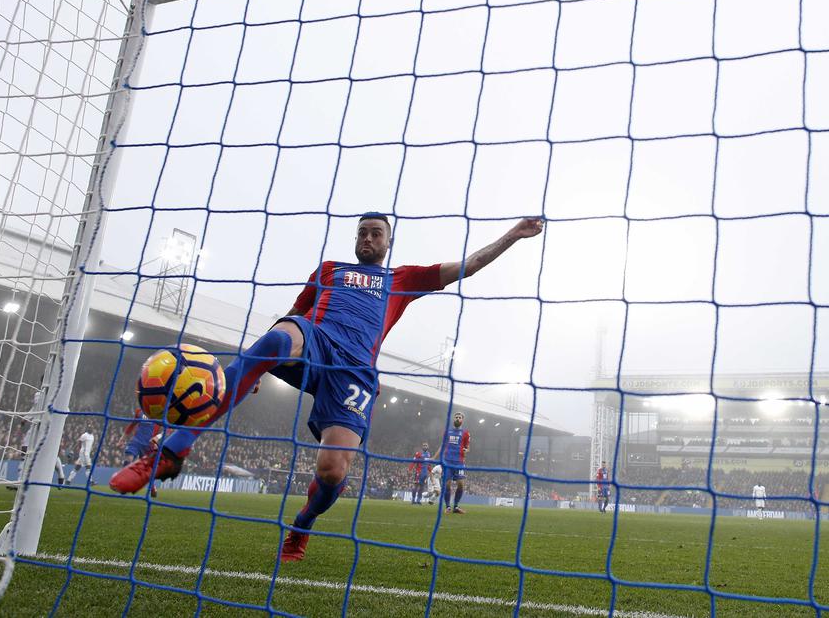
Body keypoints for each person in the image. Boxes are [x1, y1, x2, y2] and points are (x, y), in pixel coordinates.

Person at [110, 214, 543, 562]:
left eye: (376, 233)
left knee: (333, 472)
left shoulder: (402, 279)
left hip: (354, 373)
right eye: (362, 232)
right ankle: (171, 452)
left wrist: (513, 235)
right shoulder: (329, 270)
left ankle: (302, 525)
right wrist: (258, 365)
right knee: (277, 339)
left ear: (388, 242)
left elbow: (468, 265)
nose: (368, 238)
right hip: (316, 342)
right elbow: (292, 316)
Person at [122, 409, 161, 498]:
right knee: (128, 458)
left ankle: (152, 487)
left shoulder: (159, 413)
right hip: (136, 441)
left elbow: (169, 429)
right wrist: (123, 438)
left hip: (149, 445)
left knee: (147, 469)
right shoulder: (139, 411)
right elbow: (132, 425)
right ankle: (124, 484)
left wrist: (158, 437)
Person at [442, 412, 471, 514]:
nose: (458, 418)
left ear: (462, 420)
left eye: (460, 417)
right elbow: (443, 445)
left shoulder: (466, 433)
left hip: (459, 462)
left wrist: (466, 450)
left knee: (461, 485)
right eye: (456, 417)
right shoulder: (447, 432)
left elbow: (468, 448)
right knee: (447, 485)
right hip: (448, 462)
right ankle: (448, 507)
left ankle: (456, 506)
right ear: (454, 419)